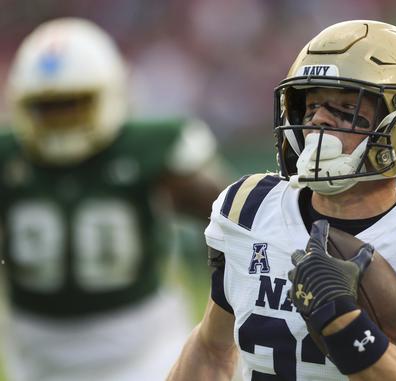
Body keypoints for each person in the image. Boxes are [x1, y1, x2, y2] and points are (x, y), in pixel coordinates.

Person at [169, 20, 396, 381]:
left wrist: (343, 324)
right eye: (310, 107)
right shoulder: (248, 208)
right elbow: (211, 348)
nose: (318, 121)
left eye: (346, 111)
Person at [0, 18, 227, 381]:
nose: (60, 120)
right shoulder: (9, 157)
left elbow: (230, 217)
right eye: (48, 107)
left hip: (141, 344)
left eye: (74, 104)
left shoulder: (150, 149)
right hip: (36, 349)